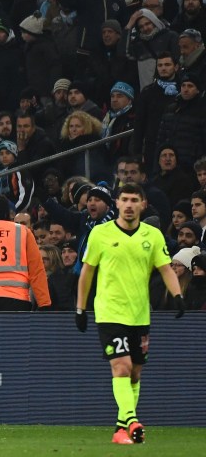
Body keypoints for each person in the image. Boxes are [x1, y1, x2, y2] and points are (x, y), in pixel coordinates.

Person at [76, 183, 185, 445]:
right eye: (124, 199)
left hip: (139, 314)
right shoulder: (100, 234)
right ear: (116, 203)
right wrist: (80, 308)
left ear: (142, 204)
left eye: (134, 200)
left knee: (135, 373)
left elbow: (166, 269)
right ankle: (131, 419)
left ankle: (120, 429)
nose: (128, 204)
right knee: (121, 367)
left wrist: (178, 295)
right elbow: (87, 271)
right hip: (110, 311)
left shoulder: (153, 235)